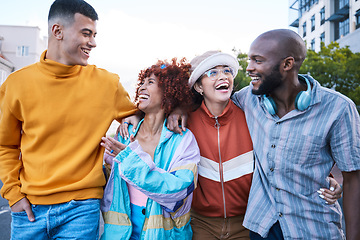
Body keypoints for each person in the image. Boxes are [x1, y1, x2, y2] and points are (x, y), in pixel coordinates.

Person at [118, 51, 343, 239]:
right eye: (212, 72)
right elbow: (153, 114)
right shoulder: (183, 123)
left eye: (226, 70)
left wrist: (328, 177)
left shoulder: (253, 114)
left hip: (249, 222)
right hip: (201, 224)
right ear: (198, 86)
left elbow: (288, 145)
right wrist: (133, 115)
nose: (222, 76)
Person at [0, 0, 137, 239]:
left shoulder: (107, 84)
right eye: (86, 33)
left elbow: (147, 113)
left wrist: (178, 110)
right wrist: (13, 195)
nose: (93, 42)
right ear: (57, 31)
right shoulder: (16, 84)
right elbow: (5, 145)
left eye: (94, 35)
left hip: (81, 210)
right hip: (28, 210)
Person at [230, 29, 360, 240]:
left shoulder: (338, 108)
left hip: (313, 228)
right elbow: (209, 103)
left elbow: (354, 179)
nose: (249, 67)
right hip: (262, 227)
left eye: (258, 60)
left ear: (287, 64)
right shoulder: (247, 98)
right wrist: (181, 108)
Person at [99, 59, 200, 239]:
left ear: (168, 92)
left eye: (150, 82)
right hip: (119, 234)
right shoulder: (125, 133)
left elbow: (179, 191)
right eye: (142, 83)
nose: (141, 88)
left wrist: (130, 159)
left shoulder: (183, 140)